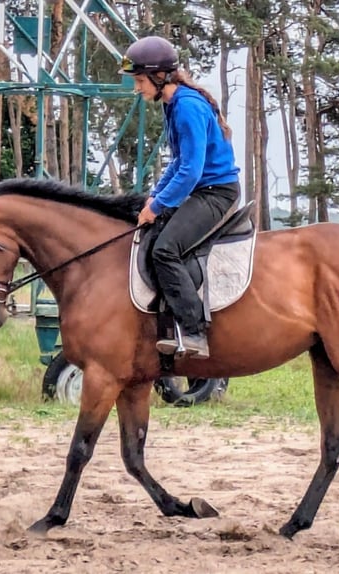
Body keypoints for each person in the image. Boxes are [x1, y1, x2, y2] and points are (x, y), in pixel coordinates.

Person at [120, 35, 241, 359]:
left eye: (140, 81)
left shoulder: (186, 107)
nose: (137, 88)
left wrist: (158, 205)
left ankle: (193, 330)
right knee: (155, 236)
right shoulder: (174, 104)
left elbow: (191, 170)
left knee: (165, 250)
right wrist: (154, 198)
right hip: (201, 189)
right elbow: (177, 162)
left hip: (216, 193)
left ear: (160, 77)